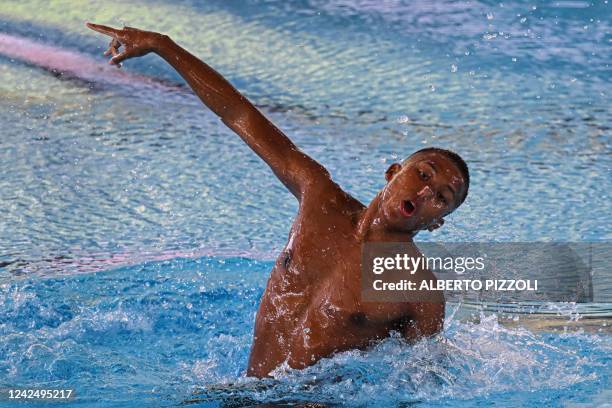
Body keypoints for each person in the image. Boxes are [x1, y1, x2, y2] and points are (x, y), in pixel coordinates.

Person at [86, 23, 470, 378]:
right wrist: (163, 45)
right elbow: (238, 114)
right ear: (393, 172)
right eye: (423, 174)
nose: (424, 192)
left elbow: (421, 380)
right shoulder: (318, 195)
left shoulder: (418, 292)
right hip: (246, 390)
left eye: (440, 197)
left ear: (437, 221)